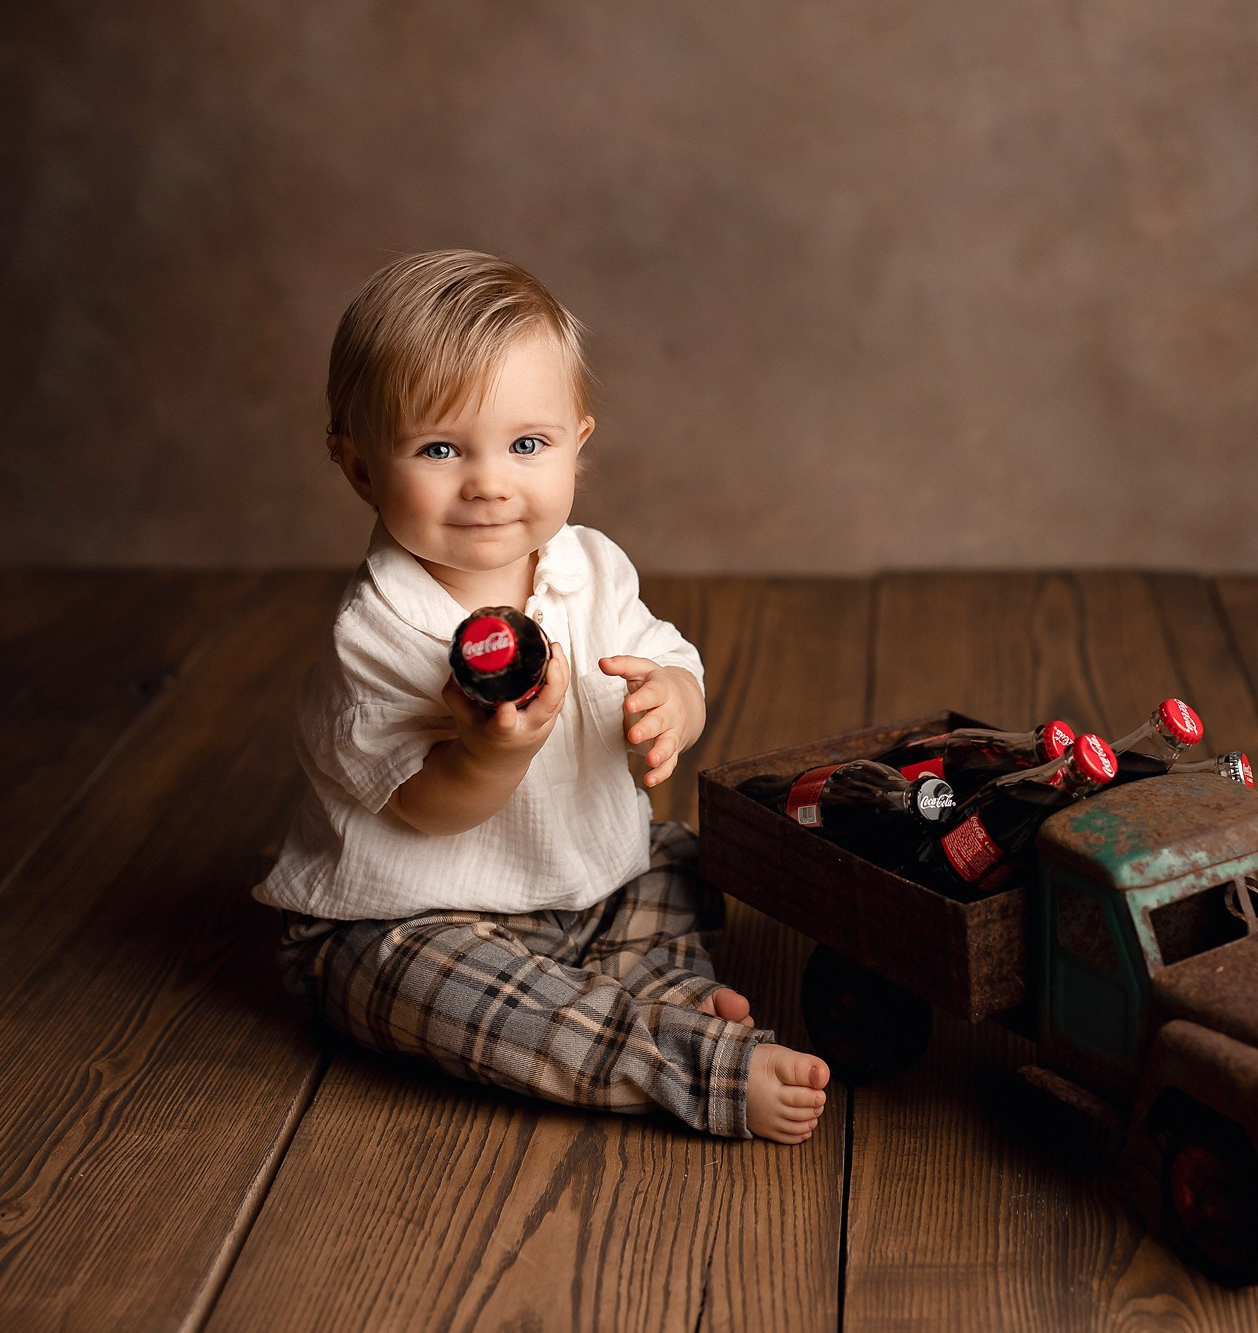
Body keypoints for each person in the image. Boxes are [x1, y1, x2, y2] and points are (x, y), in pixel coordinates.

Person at [254, 249, 828, 1144]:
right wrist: (490, 753)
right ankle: (676, 1055)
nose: (489, 482)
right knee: (434, 987)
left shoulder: (590, 568)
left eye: (527, 445)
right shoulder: (373, 632)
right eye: (440, 449)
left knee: (673, 862)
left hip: (581, 882)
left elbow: (671, 657)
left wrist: (673, 699)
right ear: (359, 466)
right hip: (416, 914)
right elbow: (424, 810)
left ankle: (665, 987)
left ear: (577, 445)